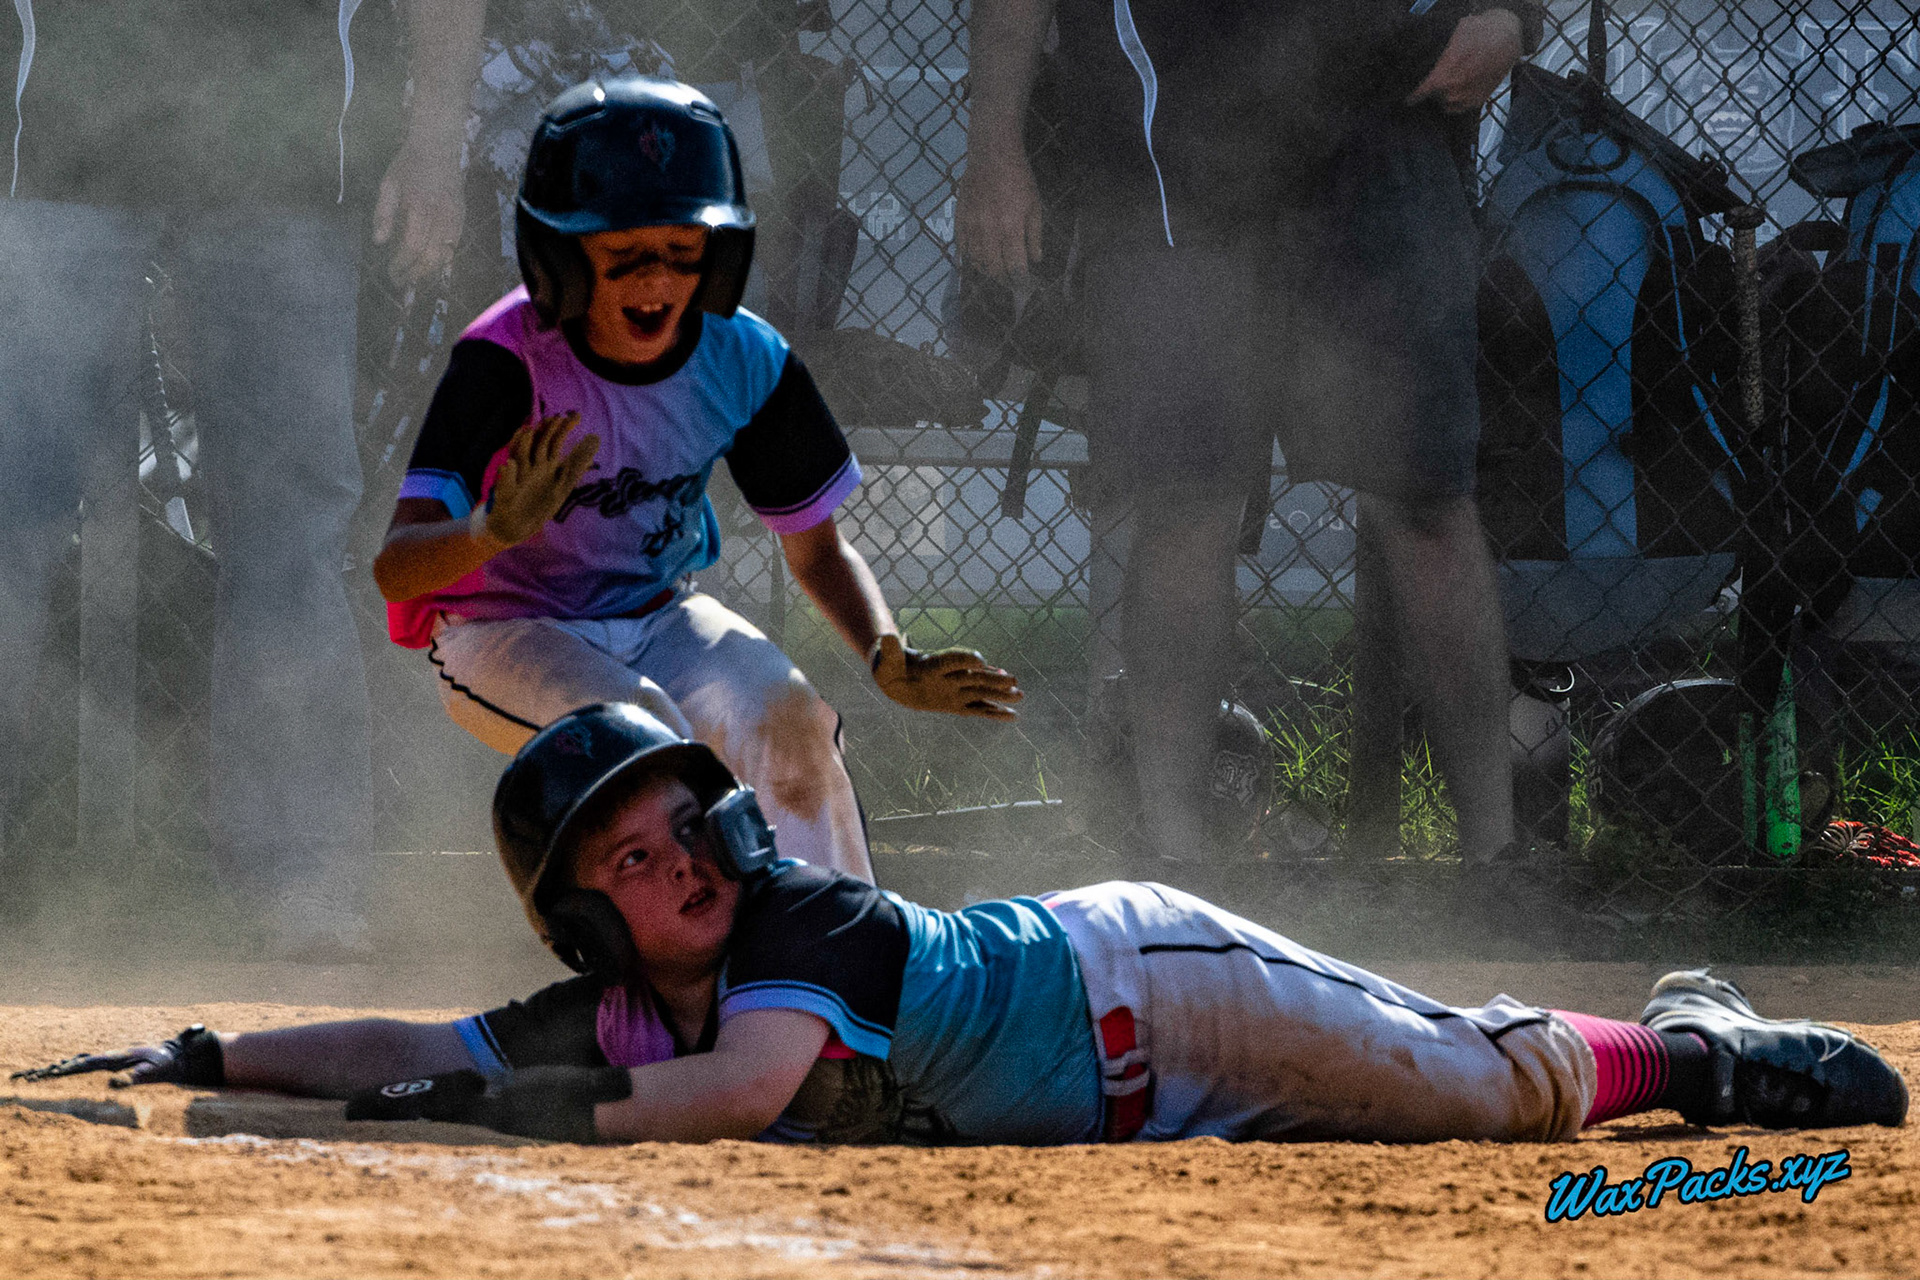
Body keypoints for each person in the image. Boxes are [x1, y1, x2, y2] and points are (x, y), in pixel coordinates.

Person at [19, 701, 1908, 1147]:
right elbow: (426, 1045)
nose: (677, 860)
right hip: (1120, 1110)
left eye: (683, 825)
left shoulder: (800, 930)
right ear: (592, 927)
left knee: (1483, 1098)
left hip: (1153, 990)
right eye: (628, 863)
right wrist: (221, 1052)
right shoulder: (624, 1026)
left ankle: (1701, 1049)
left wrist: (464, 1126)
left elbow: (756, 1096)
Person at [371, 78, 1023, 884]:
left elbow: (817, 554)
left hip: (656, 615)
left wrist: (885, 651)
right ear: (561, 256)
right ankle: (660, 987)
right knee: (643, 739)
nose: (658, 283)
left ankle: (837, 959)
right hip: (501, 630)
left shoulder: (743, 357)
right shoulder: (506, 361)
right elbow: (395, 567)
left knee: (791, 717)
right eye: (624, 257)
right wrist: (492, 532)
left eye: (683, 255)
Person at [955, 0, 1544, 867]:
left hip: (1386, 132)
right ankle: (1175, 860)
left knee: (1426, 498)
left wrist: (1515, 12)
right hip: (1176, 158)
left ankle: (1497, 859)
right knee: (1186, 501)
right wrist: (995, 146)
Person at [0, 0, 485, 954]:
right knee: (10, 510)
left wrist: (434, 144)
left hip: (289, 157)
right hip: (56, 140)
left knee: (290, 534)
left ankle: (301, 879)